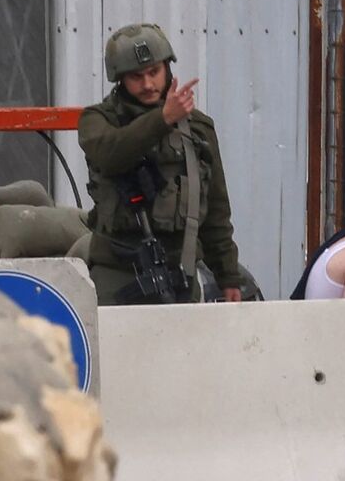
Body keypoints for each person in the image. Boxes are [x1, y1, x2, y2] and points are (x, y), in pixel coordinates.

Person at [78, 22, 242, 305]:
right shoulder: (98, 121)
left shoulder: (198, 129)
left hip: (181, 272)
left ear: (167, 68)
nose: (148, 84)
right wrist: (163, 120)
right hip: (118, 271)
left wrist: (228, 276)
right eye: (136, 76)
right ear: (120, 79)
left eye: (154, 72)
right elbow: (110, 154)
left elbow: (215, 210)